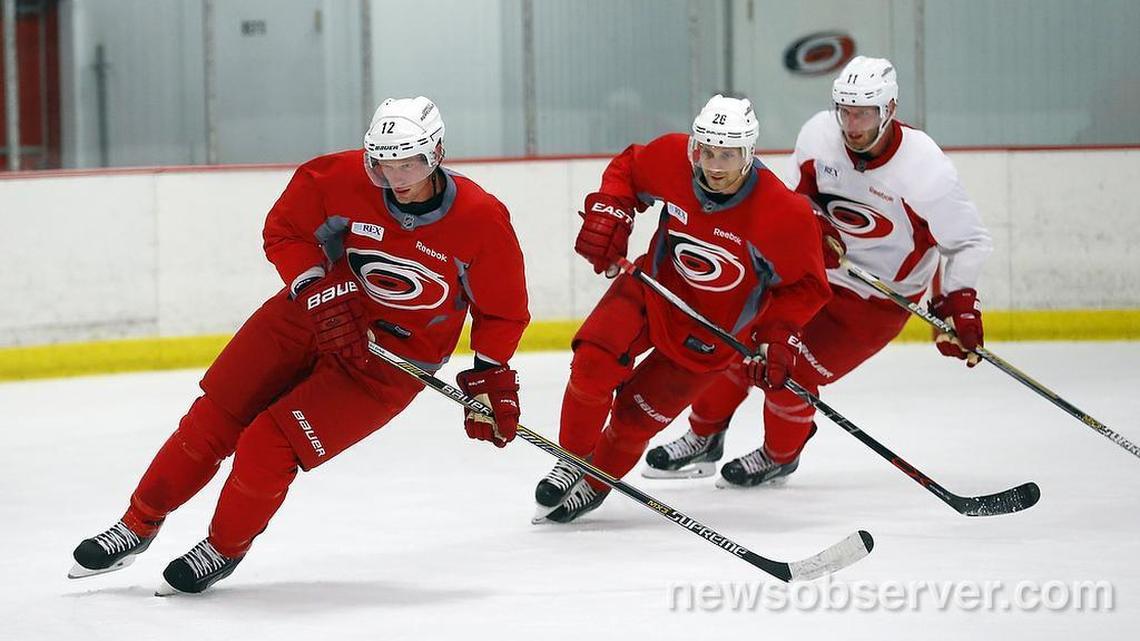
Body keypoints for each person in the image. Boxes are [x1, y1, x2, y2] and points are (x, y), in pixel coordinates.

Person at [68, 96, 530, 594]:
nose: (396, 177)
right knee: (214, 416)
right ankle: (136, 524)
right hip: (308, 315)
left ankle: (222, 548)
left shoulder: (481, 219)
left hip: (389, 361)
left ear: (437, 153)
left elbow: (501, 308)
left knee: (270, 441)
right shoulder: (336, 178)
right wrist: (315, 290)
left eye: (410, 163)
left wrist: (489, 374)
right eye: (383, 164)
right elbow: (286, 231)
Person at [645, 56, 993, 487]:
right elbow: (791, 202)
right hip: (812, 278)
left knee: (794, 371)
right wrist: (814, 229)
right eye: (845, 110)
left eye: (864, 112)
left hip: (877, 298)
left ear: (889, 109)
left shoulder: (925, 167)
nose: (852, 123)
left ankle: (779, 455)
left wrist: (957, 302)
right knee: (739, 344)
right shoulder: (819, 134)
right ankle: (704, 436)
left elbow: (967, 241)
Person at [532, 94, 832, 523]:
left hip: (712, 333)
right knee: (591, 362)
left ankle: (596, 483)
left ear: (749, 154)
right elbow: (629, 168)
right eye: (707, 151)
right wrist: (611, 210)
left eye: (728, 155)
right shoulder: (674, 159)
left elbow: (804, 288)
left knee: (634, 417)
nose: (714, 165)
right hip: (651, 290)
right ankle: (573, 459)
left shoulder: (783, 212)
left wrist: (777, 336)